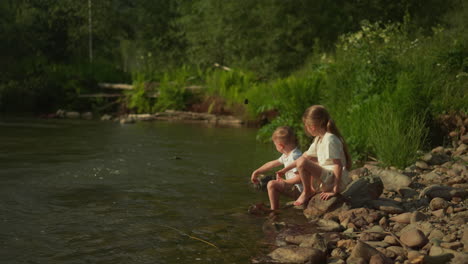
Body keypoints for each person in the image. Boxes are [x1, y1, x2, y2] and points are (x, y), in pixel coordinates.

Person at [276, 105, 352, 205]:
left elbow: (338, 165)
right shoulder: (318, 139)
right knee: (306, 159)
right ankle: (311, 190)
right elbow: (303, 158)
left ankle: (307, 192)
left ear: (312, 127)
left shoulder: (330, 139)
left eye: (306, 126)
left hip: (335, 180)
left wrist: (335, 190)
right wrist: (284, 170)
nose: (306, 128)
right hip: (326, 178)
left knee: (304, 162)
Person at [251, 126, 303, 210]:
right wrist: (257, 171)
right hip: (294, 187)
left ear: (280, 146)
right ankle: (275, 208)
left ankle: (274, 210)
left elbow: (300, 178)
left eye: (275, 145)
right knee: (274, 182)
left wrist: (284, 181)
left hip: (300, 190)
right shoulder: (288, 154)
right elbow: (271, 164)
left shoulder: (294, 157)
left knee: (272, 184)